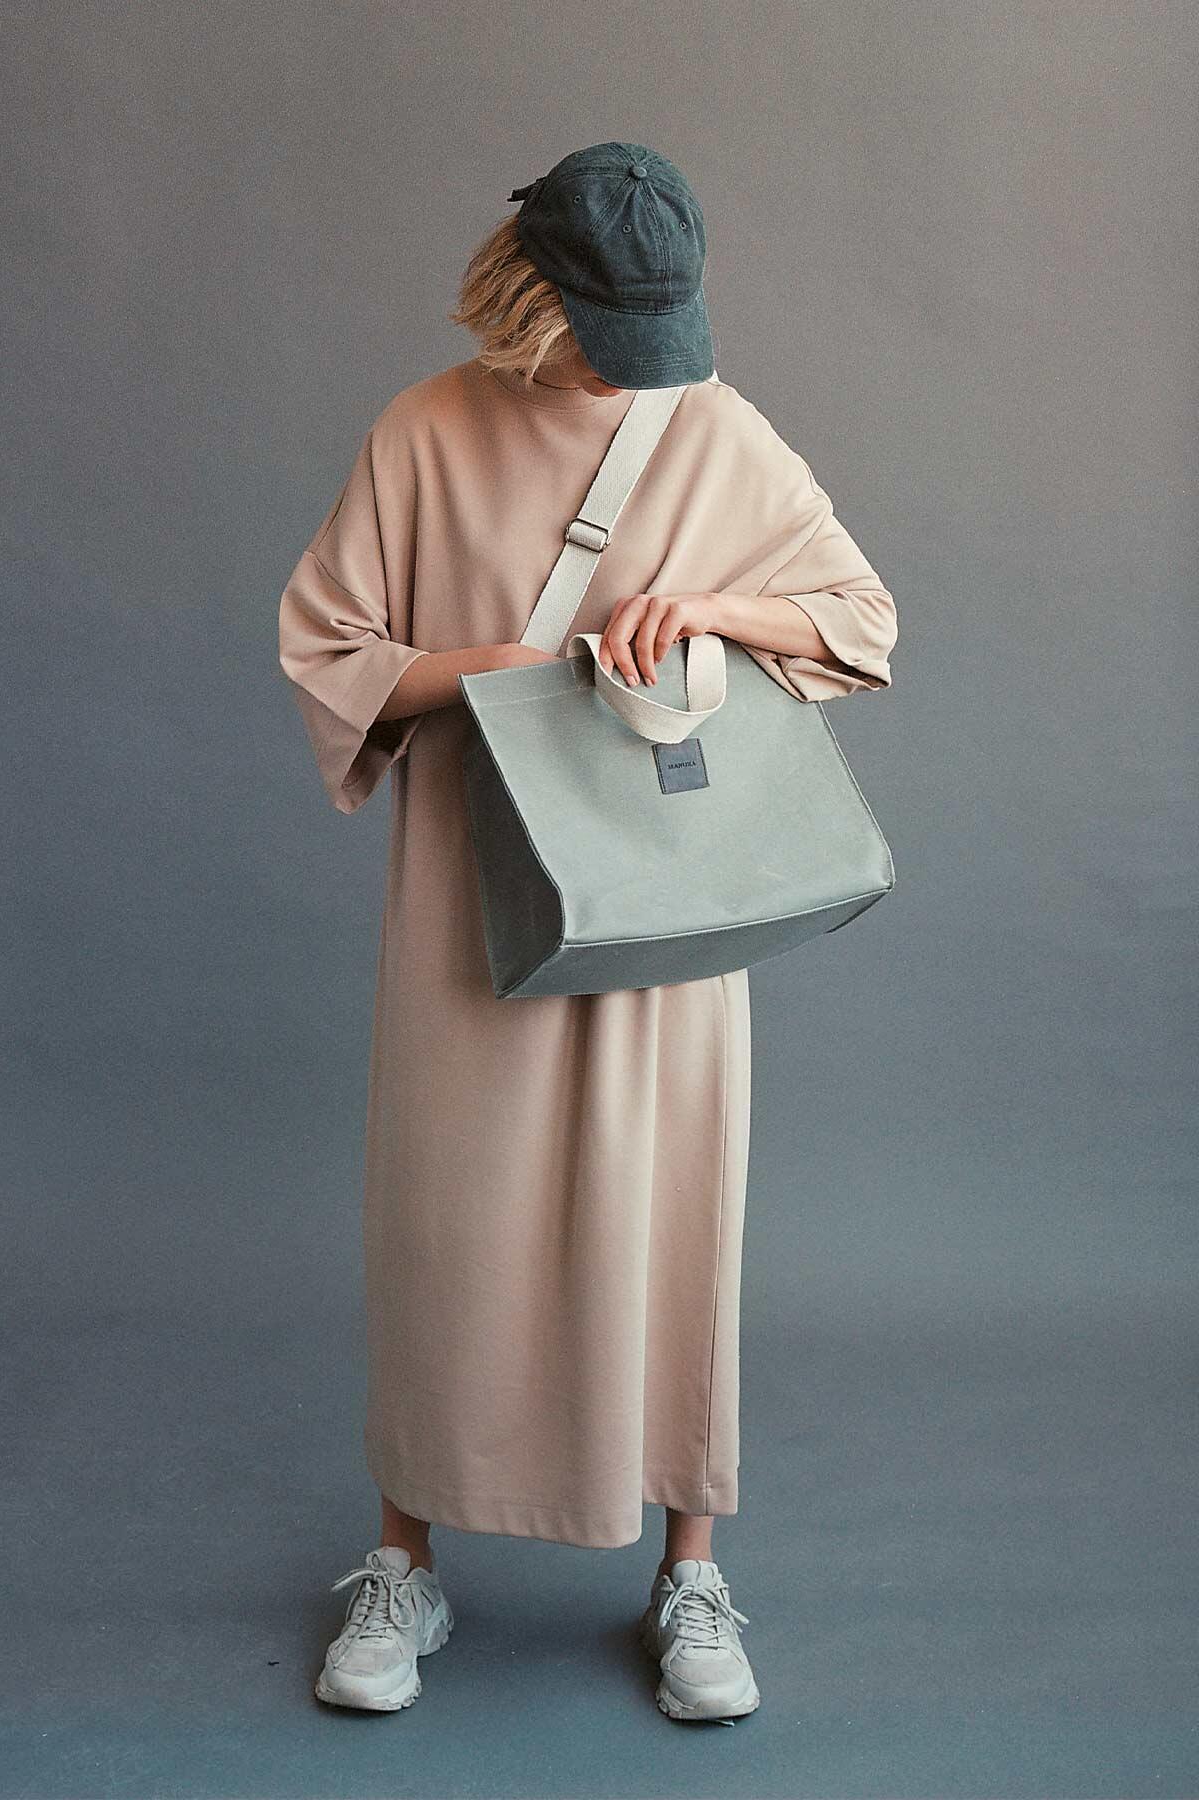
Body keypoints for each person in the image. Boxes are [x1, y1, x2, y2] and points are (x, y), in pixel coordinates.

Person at [278, 140, 898, 1723]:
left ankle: (691, 1572)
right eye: (610, 334)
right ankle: (404, 1560)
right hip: (470, 904)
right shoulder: (426, 430)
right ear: (533, 300)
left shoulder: (717, 428)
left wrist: (712, 614)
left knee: (675, 1220)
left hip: (663, 910)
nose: (638, 368)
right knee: (445, 1219)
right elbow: (333, 645)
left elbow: (858, 621)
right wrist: (493, 671)